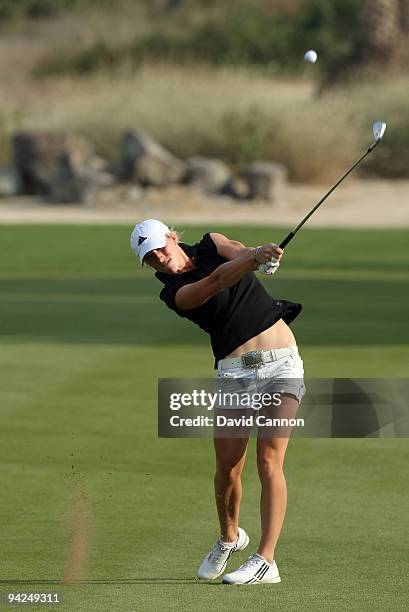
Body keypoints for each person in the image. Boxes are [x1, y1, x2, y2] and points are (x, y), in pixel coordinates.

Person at [130, 219, 305, 585]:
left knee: (269, 459)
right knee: (228, 468)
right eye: (150, 259)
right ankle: (229, 538)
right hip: (234, 374)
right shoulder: (174, 293)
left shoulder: (211, 242)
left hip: (282, 364)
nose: (160, 258)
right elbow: (215, 282)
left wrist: (263, 256)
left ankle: (266, 560)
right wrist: (254, 258)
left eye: (161, 248)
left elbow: (237, 251)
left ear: (173, 238)